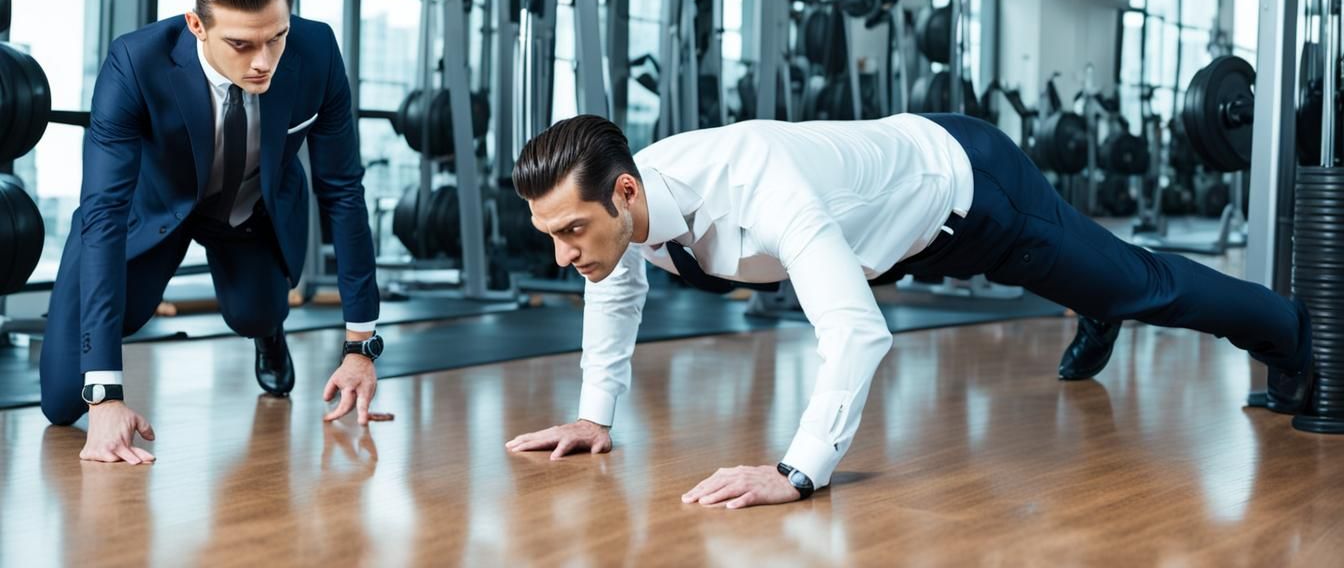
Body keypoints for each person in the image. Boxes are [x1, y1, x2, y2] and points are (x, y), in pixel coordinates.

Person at [503, 112, 1313, 509]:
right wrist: (593, 415)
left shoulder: (763, 186)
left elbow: (857, 336)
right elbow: (613, 287)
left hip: (975, 195)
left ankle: (1286, 325)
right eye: (551, 236)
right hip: (902, 230)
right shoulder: (625, 210)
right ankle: (1088, 302)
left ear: (626, 192)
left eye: (572, 230)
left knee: (1135, 283)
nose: (564, 255)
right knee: (1094, 282)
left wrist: (796, 472)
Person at [40, 0, 389, 464]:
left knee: (254, 312)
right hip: (150, 212)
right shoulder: (135, 62)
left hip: (250, 213)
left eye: (277, 37)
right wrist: (106, 395)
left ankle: (267, 329)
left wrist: (360, 345)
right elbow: (104, 214)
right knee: (63, 400)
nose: (264, 62)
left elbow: (343, 191)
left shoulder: (317, 52)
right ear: (196, 26)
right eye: (242, 45)